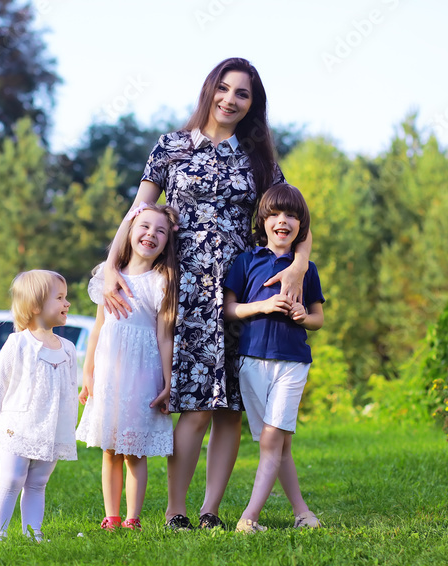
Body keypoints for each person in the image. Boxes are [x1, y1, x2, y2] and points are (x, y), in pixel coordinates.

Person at [100, 57, 314, 530]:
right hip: (186, 290)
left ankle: (210, 511)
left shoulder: (259, 161)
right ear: (209, 90)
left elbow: (297, 215)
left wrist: (298, 265)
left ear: (252, 105)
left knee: (229, 410)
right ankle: (175, 510)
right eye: (224, 88)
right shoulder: (171, 147)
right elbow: (138, 210)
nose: (230, 100)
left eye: (242, 94)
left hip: (243, 292)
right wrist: (111, 264)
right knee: (195, 406)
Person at [223, 184, 325, 533]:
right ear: (263, 221)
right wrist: (263, 306)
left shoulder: (307, 269)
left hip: (293, 362)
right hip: (251, 362)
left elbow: (318, 319)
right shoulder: (246, 261)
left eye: (292, 216)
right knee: (280, 443)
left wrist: (302, 316)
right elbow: (229, 309)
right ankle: (303, 513)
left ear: (301, 226)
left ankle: (248, 518)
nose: (283, 221)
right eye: (276, 214)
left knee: (271, 440)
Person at [77, 203, 179, 531]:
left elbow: (165, 336)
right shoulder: (109, 276)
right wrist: (88, 373)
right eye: (144, 226)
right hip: (109, 373)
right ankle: (111, 515)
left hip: (142, 374)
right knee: (110, 449)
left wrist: (167, 383)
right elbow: (98, 329)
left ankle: (133, 518)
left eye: (160, 231)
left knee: (134, 450)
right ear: (130, 231)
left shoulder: (161, 281)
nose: (151, 234)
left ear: (167, 242)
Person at [0, 270, 78, 543]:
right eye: (59, 298)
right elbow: (0, 383)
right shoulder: (18, 343)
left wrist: (69, 425)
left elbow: (70, 389)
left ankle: (33, 533)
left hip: (53, 428)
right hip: (18, 426)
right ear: (35, 306)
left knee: (38, 483)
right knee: (12, 479)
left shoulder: (68, 348)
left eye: (66, 297)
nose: (67, 303)